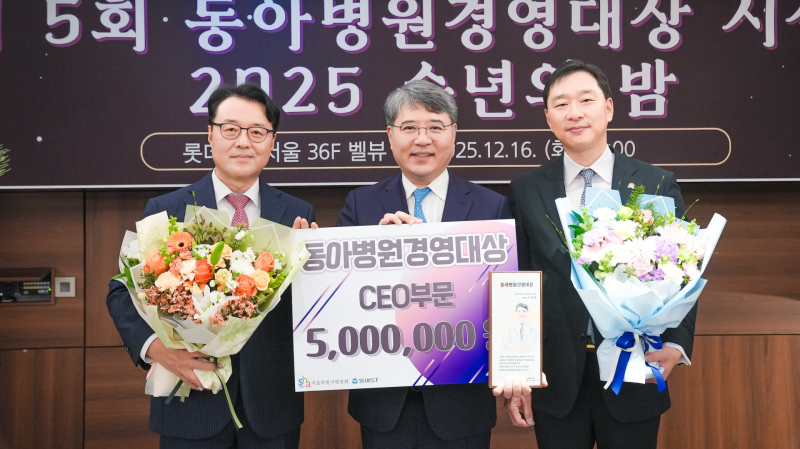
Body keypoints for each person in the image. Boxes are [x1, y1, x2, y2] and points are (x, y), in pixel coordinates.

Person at [106, 84, 317, 449]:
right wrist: (160, 352)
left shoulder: (297, 213)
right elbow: (122, 293)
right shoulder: (167, 208)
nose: (243, 142)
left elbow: (305, 308)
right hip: (191, 402)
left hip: (271, 407)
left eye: (257, 132)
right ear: (210, 134)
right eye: (230, 129)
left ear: (272, 141)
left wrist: (312, 270)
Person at [505, 60, 696, 449]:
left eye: (586, 100)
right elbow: (516, 281)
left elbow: (683, 269)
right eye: (561, 104)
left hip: (636, 368)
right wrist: (517, 368)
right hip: (556, 378)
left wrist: (675, 344)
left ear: (608, 108)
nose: (574, 113)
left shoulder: (655, 182)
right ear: (548, 118)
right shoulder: (526, 191)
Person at [338, 80, 511, 449]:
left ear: (454, 134)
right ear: (390, 135)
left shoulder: (490, 206)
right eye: (409, 127)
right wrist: (378, 253)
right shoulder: (360, 205)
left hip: (461, 404)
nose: (422, 139)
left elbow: (509, 300)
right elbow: (343, 302)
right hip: (385, 405)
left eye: (435, 127)